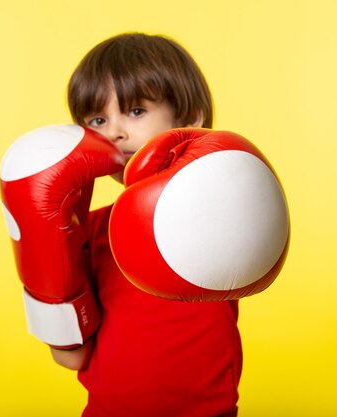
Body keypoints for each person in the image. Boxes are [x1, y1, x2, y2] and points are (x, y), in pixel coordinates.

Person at [54, 33, 242, 416]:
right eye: (97, 119)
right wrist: (44, 263)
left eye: (135, 111)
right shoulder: (87, 230)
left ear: (188, 119)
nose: (114, 133)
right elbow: (69, 357)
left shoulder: (222, 211)